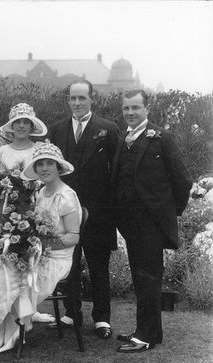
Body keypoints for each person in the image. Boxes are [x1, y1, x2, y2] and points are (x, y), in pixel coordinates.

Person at [0, 141, 82, 354]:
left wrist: (40, 245)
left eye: (49, 163)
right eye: (40, 164)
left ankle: (12, 327)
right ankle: (1, 330)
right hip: (35, 253)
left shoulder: (66, 196)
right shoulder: (41, 192)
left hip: (56, 259)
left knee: (8, 275)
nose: (44, 169)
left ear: (58, 167)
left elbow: (73, 237)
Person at [113, 90, 192, 353]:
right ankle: (143, 331)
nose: (130, 113)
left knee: (149, 278)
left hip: (151, 224)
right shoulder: (122, 137)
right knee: (140, 277)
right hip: (129, 223)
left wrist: (169, 213)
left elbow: (183, 180)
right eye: (126, 108)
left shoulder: (162, 138)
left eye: (135, 107)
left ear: (147, 109)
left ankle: (146, 337)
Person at [47, 79, 119, 339]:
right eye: (73, 98)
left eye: (82, 98)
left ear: (92, 99)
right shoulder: (57, 129)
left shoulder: (108, 129)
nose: (77, 103)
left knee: (99, 266)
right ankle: (71, 314)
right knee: (70, 266)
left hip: (98, 213)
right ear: (68, 100)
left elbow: (117, 171)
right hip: (66, 213)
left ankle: (102, 319)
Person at [0, 103, 47, 173]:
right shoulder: (2, 151)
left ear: (31, 127)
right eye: (17, 122)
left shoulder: (39, 150)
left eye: (26, 122)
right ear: (12, 126)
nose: (21, 126)